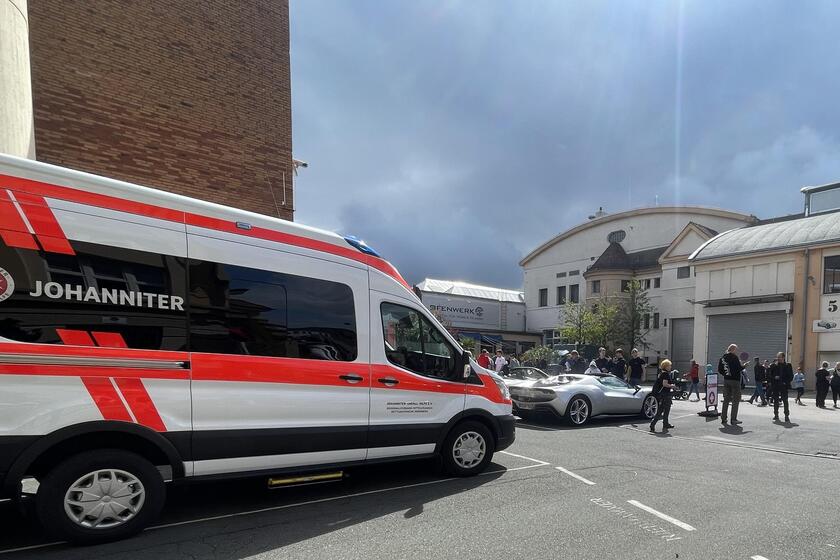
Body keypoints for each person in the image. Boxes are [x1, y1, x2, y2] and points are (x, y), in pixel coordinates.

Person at [718, 343, 746, 425]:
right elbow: (739, 368)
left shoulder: (723, 358)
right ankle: (733, 419)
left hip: (726, 380)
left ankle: (723, 418)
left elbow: (720, 370)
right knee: (735, 400)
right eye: (736, 350)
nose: (736, 351)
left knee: (726, 399)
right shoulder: (734, 357)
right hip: (735, 381)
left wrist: (726, 374)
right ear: (733, 349)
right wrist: (744, 365)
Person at [650, 359, 675, 433]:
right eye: (669, 365)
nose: (670, 367)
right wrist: (672, 386)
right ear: (666, 366)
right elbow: (665, 384)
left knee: (664, 409)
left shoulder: (661, 373)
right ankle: (654, 424)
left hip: (662, 394)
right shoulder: (665, 374)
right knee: (663, 410)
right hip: (665, 394)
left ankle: (664, 423)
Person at [768, 352, 793, 422]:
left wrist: (785, 382)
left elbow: (791, 376)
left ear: (783, 357)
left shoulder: (788, 365)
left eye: (779, 357)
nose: (778, 358)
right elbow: (769, 375)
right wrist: (774, 377)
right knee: (775, 401)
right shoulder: (774, 365)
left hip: (784, 386)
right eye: (777, 357)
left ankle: (786, 416)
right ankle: (776, 415)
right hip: (776, 385)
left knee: (785, 400)